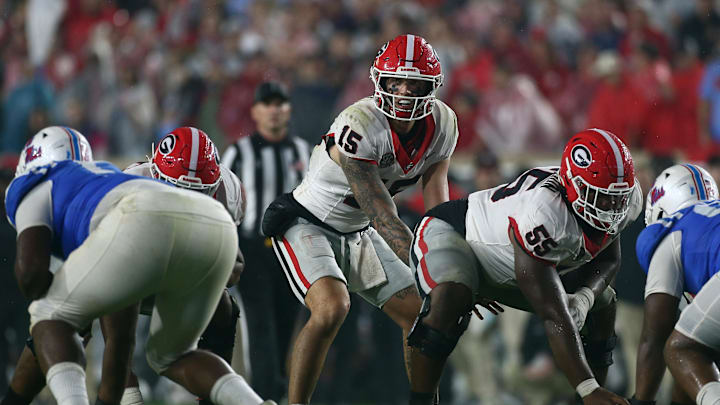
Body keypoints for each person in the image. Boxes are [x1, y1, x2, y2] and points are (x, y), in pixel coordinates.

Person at [3, 126, 274, 405]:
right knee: (170, 354)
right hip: (202, 229)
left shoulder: (37, 185)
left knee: (52, 313)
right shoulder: (116, 176)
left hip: (144, 234)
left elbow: (31, 274)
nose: (181, 190)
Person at [261, 34, 458, 405]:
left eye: (412, 82)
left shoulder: (443, 123)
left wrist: (451, 263)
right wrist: (435, 270)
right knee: (332, 307)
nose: (402, 91)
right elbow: (382, 214)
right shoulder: (359, 123)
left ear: (431, 86)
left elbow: (437, 211)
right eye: (394, 82)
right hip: (309, 222)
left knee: (423, 314)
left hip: (357, 232)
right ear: (378, 82)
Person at [407, 128, 643, 405]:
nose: (611, 206)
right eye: (601, 196)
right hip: (461, 237)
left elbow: (608, 259)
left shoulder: (625, 198)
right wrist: (587, 387)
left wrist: (585, 297)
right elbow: (552, 313)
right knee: (449, 297)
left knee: (603, 302)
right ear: (573, 186)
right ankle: (420, 402)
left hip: (513, 264)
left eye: (617, 196)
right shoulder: (545, 212)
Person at [220, 81, 309, 400]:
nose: (274, 110)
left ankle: (279, 389)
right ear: (255, 111)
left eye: (280, 104)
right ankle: (264, 394)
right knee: (259, 324)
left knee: (287, 321)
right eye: (267, 104)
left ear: (288, 109)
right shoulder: (238, 152)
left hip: (293, 249)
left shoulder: (301, 150)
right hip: (253, 248)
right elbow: (222, 198)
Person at [632, 163, 720, 405]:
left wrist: (641, 401)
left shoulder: (672, 230)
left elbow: (655, 336)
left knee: (680, 349)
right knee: (699, 352)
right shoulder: (709, 221)